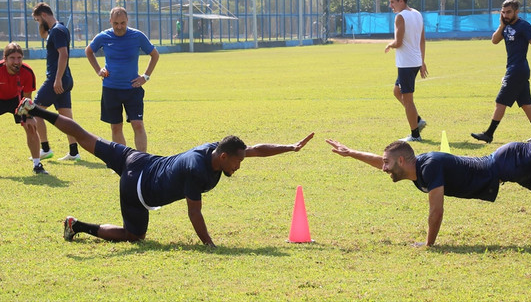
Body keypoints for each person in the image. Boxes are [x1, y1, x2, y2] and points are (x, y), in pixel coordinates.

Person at [326, 60, 531, 246]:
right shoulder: (412, 168)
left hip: (511, 162)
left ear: (403, 161)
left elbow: (436, 212)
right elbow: (379, 161)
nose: (383, 168)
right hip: (510, 171)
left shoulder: (429, 167)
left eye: (386, 163)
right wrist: (351, 152)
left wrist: (428, 244)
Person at [14, 98, 314, 246]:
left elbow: (255, 149)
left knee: (86, 137)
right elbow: (194, 214)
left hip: (136, 159)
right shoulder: (197, 171)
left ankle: (35, 109)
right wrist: (210, 246)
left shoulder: (217, 150)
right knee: (134, 236)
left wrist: (290, 147)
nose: (239, 165)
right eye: (236, 162)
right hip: (138, 185)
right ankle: (76, 225)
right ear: (223, 157)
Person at [471, 0, 531, 144]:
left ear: (516, 12)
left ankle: (489, 134)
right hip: (515, 69)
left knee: (500, 102)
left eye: (509, 12)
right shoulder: (504, 26)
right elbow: (494, 40)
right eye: (503, 12)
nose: (505, 15)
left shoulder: (524, 26)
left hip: (518, 70)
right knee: (526, 103)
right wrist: (501, 25)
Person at [85, 7, 160, 152]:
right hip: (111, 89)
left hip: (133, 88)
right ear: (110, 21)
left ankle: (142, 160)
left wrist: (145, 77)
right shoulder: (103, 37)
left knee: (137, 124)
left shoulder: (137, 36)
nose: (119, 27)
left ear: (127, 21)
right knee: (116, 127)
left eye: (123, 23)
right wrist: (98, 70)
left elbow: (154, 55)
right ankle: (123, 161)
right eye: (116, 24)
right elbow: (89, 51)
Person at [32, 2, 80, 161]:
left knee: (34, 110)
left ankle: (45, 148)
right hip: (64, 79)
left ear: (44, 15)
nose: (39, 23)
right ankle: (74, 152)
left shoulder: (57, 30)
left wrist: (57, 79)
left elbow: (63, 54)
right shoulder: (59, 29)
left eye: (38, 20)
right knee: (66, 117)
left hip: (57, 79)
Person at [384, 0, 428, 142]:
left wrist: (390, 44)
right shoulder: (417, 14)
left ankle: (415, 134)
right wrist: (422, 61)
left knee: (408, 100)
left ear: (401, 1)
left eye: (393, 2)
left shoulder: (400, 17)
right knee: (397, 91)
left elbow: (398, 42)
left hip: (406, 64)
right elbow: (422, 40)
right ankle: (417, 120)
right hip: (414, 62)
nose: (391, 6)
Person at [0, 43, 47, 174]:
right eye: (12, 58)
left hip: (17, 100)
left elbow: (27, 98)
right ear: (5, 59)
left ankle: (37, 165)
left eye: (19, 58)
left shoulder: (27, 72)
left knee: (31, 127)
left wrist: (29, 117)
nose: (16, 61)